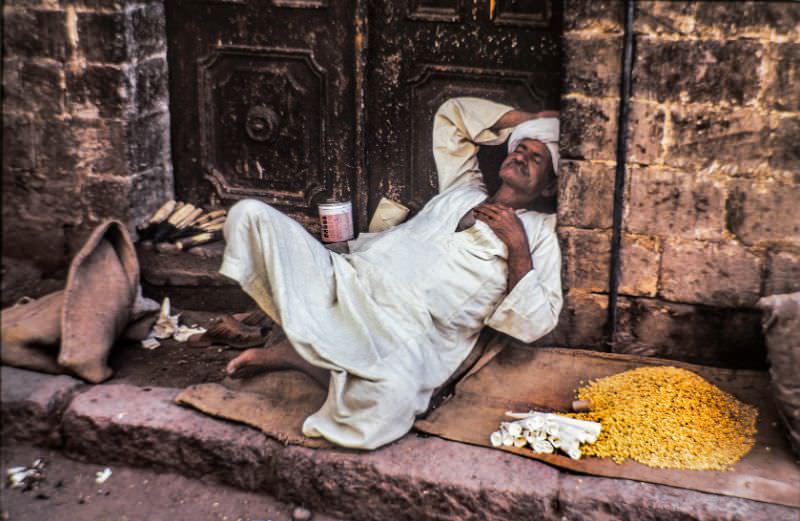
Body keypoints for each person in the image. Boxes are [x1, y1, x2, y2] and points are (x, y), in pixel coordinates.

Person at [220, 97, 563, 449]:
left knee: (387, 405)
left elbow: (537, 321)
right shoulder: (463, 189)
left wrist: (518, 247)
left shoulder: (538, 232)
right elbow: (452, 116)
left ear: (549, 186)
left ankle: (303, 358)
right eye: (520, 148)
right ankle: (328, 357)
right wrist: (533, 118)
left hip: (404, 334)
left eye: (536, 158)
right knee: (249, 216)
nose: (521, 156)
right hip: (349, 282)